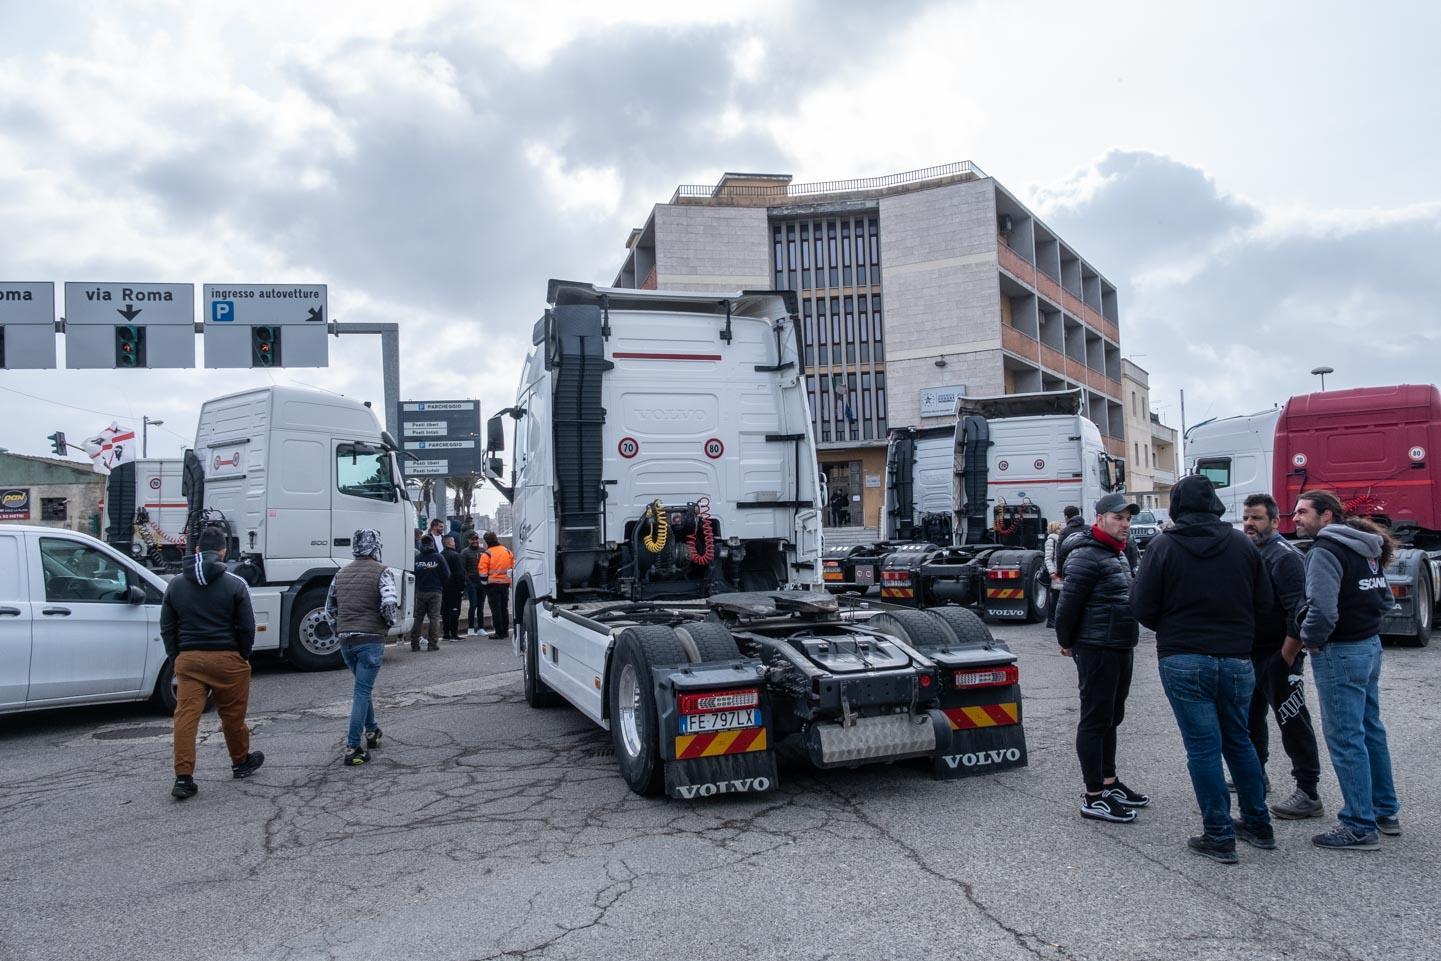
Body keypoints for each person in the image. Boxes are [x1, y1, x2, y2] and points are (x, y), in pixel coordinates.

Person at [1133, 474, 1273, 864]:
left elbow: (1142, 605)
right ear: (1214, 503)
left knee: (1203, 749)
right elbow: (1265, 603)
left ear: (1177, 506)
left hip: (1183, 656)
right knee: (1239, 741)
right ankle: (1258, 823)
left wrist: (1174, 623)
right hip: (1235, 658)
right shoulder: (1243, 546)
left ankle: (1218, 833)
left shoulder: (1163, 547)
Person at [1290, 490, 1401, 850]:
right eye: (1295, 512)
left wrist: (1310, 639)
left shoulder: (1325, 550)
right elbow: (1384, 598)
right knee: (1370, 730)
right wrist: (1365, 624)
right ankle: (1384, 810)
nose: (1296, 518)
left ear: (1327, 516)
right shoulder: (1365, 546)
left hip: (1340, 651)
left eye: (1304, 512)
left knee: (1346, 737)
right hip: (1369, 646)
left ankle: (1358, 824)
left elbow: (1321, 609)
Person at [1052, 493, 1147, 824]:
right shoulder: (1086, 555)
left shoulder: (1117, 553)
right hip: (1097, 647)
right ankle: (1093, 796)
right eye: (1119, 518)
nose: (1125, 525)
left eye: (1128, 519)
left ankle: (1109, 782)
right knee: (1095, 719)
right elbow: (1067, 606)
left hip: (1121, 644)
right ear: (1101, 518)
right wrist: (1066, 641)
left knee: (1112, 716)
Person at [161, 525, 264, 799]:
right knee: (232, 716)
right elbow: (247, 627)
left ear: (196, 550)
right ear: (223, 551)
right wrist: (242, 654)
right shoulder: (235, 583)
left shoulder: (175, 584)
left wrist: (177, 657)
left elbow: (167, 627)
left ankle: (183, 778)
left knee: (186, 717)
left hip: (190, 660)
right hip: (227, 658)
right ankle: (240, 761)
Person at [1240, 493, 1324, 819]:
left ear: (1275, 522)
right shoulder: (1250, 552)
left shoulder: (1284, 557)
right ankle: (1255, 775)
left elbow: (1299, 611)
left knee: (1292, 720)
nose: (1249, 524)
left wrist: (1286, 656)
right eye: (1246, 517)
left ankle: (1308, 792)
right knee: (1249, 720)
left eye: (1257, 518)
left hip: (1279, 656)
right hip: (1250, 655)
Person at [324, 529, 397, 766]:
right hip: (370, 640)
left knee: (361, 689)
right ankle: (353, 747)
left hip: (346, 641)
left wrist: (339, 627)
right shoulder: (382, 571)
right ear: (375, 546)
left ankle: (372, 730)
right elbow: (389, 603)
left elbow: (329, 609)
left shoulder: (340, 574)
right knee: (361, 692)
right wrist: (387, 623)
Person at [409, 534, 450, 651]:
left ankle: (414, 644)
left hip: (420, 591)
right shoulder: (438, 557)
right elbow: (447, 574)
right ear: (432, 544)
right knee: (434, 618)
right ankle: (432, 644)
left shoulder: (417, 558)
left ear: (422, 545)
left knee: (418, 618)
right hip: (435, 591)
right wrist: (440, 583)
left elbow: (412, 574)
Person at [477, 531, 514, 639]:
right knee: (504, 608)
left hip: (492, 585)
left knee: (496, 609)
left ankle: (499, 632)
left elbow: (482, 571)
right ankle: (506, 631)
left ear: (486, 541)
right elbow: (513, 566)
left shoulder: (487, 554)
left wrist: (484, 585)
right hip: (505, 583)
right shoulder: (507, 551)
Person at [462, 531, 487, 636]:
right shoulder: (465, 552)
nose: (475, 541)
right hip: (472, 583)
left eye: (476, 539)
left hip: (482, 583)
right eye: (473, 539)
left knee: (481, 606)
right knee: (473, 606)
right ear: (469, 540)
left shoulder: (483, 551)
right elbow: (463, 569)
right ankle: (471, 627)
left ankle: (481, 627)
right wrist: (468, 582)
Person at [440, 534, 465, 641]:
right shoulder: (455, 555)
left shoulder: (440, 555)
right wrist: (462, 588)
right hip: (454, 588)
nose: (455, 543)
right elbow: (460, 573)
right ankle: (454, 634)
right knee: (455, 610)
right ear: (449, 543)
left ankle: (446, 633)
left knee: (445, 611)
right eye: (453, 541)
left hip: (443, 588)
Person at [1043, 520, 1063, 629]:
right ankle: (1051, 621)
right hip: (1055, 573)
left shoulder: (1059, 540)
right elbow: (1048, 558)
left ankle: (1055, 620)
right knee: (1055, 597)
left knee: (1058, 597)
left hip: (1059, 572)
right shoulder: (1051, 540)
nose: (1061, 529)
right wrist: (1051, 571)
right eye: (1059, 527)